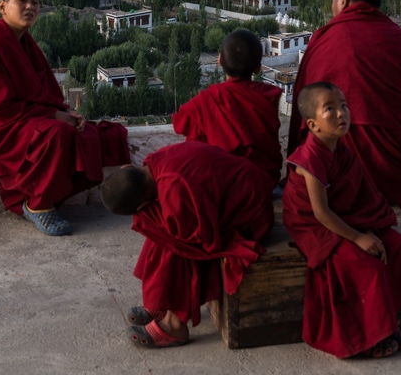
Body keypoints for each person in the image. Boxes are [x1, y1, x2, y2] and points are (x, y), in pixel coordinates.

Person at [0, 0, 130, 236]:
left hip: (25, 118)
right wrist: (53, 115)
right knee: (58, 135)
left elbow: (44, 92)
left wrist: (65, 112)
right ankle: (37, 204)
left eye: (36, 3)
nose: (30, 7)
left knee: (95, 133)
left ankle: (53, 195)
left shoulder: (25, 44)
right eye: (23, 1)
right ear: (2, 7)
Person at [283, 82, 401, 359]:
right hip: (313, 225)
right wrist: (358, 236)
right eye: (330, 109)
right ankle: (370, 337)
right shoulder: (309, 158)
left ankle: (388, 323)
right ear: (313, 125)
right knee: (364, 265)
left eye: (343, 105)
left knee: (396, 245)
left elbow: (359, 193)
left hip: (343, 216)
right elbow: (320, 213)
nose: (341, 113)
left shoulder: (342, 150)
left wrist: (368, 226)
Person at [288, 0, 401, 238]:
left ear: (343, 0)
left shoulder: (323, 40)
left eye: (333, 1)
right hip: (393, 173)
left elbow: (303, 112)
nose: (332, 7)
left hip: (335, 177)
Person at [101, 141, 275, 348]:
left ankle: (175, 326)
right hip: (239, 195)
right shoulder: (158, 159)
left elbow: (200, 239)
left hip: (252, 216)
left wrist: (150, 218)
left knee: (176, 243)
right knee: (165, 228)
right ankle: (161, 303)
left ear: (143, 203)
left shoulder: (173, 187)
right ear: (129, 167)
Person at [172, 28, 282, 184]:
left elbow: (181, 126)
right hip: (263, 183)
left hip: (221, 185)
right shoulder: (267, 97)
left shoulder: (207, 101)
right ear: (258, 68)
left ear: (219, 61)